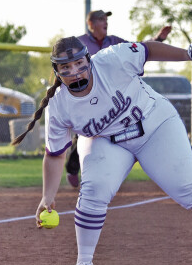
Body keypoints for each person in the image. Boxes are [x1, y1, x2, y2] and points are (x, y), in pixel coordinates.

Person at [12, 34, 192, 265]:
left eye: (79, 64)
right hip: (106, 140)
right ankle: (84, 264)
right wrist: (47, 196)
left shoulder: (111, 60)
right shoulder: (58, 103)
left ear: (89, 60)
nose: (75, 72)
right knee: (93, 191)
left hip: (154, 124)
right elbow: (54, 154)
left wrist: (188, 54)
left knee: (189, 189)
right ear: (56, 70)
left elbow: (148, 49)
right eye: (66, 67)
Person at [64, 10, 172, 188]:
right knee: (84, 136)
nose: (105, 22)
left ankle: (102, 175)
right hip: (86, 99)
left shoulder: (114, 42)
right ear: (90, 24)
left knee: (112, 136)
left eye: (106, 19)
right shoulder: (79, 43)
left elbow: (138, 49)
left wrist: (158, 39)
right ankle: (73, 167)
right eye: (101, 19)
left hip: (112, 101)